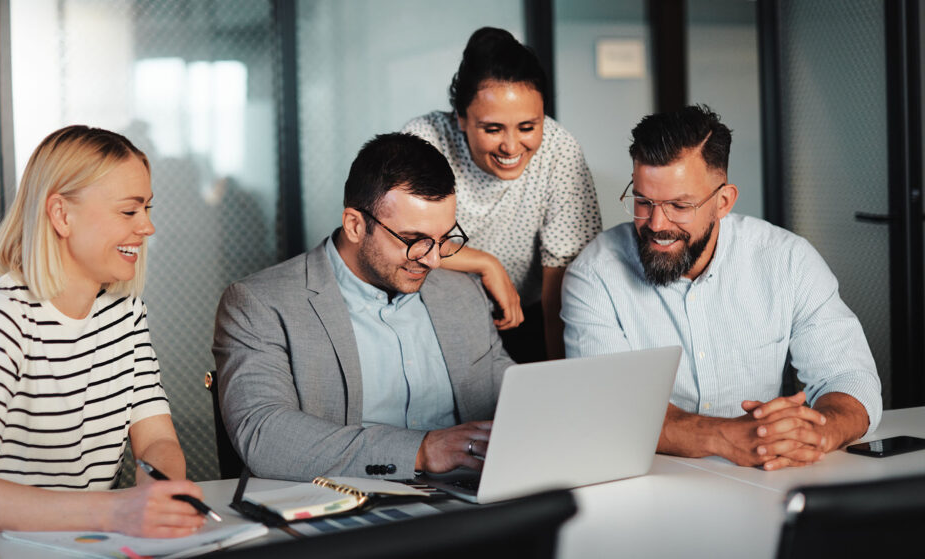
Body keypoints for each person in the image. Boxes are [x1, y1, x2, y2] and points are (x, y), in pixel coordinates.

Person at [561, 105, 882, 471]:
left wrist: (816, 433)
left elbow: (849, 378)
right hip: (653, 480)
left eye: (679, 205)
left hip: (770, 476)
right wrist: (724, 436)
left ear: (723, 201)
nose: (656, 223)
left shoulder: (787, 260)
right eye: (643, 201)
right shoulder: (594, 274)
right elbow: (610, 408)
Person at [0, 125, 207, 536]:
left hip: (84, 542)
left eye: (148, 209)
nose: (147, 228)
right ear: (62, 215)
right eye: (129, 211)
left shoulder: (125, 313)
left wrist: (159, 494)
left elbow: (156, 440)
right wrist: (114, 513)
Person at [212, 133, 513, 481]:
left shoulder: (462, 294)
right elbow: (265, 436)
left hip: (473, 504)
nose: (432, 259)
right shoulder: (260, 304)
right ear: (355, 225)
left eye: (444, 239)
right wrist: (422, 451)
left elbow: (513, 396)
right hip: (347, 511)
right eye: (415, 241)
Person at [402, 27, 602, 362]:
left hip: (528, 316)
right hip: (431, 315)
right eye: (492, 129)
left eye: (528, 127)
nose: (511, 146)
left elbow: (561, 285)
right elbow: (401, 241)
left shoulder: (561, 150)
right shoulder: (425, 140)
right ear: (462, 119)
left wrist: (558, 375)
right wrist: (485, 263)